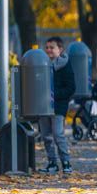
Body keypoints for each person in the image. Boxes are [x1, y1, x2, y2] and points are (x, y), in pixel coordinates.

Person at [40, 37, 74, 174]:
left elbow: (71, 87)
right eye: (47, 47)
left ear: (60, 49)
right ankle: (52, 163)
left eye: (52, 47)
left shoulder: (65, 65)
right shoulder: (42, 64)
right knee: (46, 135)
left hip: (58, 106)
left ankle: (66, 162)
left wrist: (54, 94)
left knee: (58, 134)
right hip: (42, 106)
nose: (48, 50)